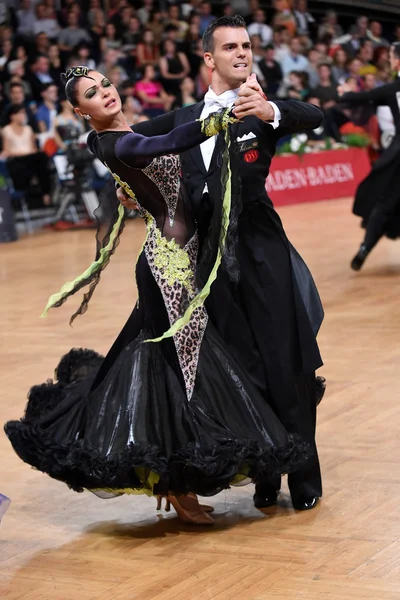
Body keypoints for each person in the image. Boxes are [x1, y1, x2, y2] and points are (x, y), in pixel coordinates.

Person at [4, 67, 311, 526]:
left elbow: (153, 170)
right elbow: (160, 146)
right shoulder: (119, 141)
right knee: (182, 372)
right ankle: (176, 482)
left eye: (106, 83)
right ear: (79, 111)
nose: (105, 93)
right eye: (92, 93)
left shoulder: (121, 133)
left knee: (175, 368)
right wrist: (216, 120)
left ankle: (175, 481)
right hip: (171, 267)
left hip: (181, 256)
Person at [118, 15, 326, 511]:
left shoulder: (260, 111)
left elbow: (314, 114)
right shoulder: (183, 118)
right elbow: (123, 142)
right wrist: (125, 180)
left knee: (287, 363)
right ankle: (263, 474)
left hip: (261, 253)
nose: (242, 53)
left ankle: (305, 479)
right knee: (240, 369)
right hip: (207, 261)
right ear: (208, 58)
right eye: (230, 47)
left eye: (247, 46)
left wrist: (272, 108)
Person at [337, 43, 400, 271]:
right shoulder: (391, 89)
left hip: (397, 158)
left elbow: (366, 96)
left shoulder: (393, 88)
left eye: (392, 57)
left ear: (396, 61)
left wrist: (346, 94)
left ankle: (365, 248)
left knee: (384, 203)